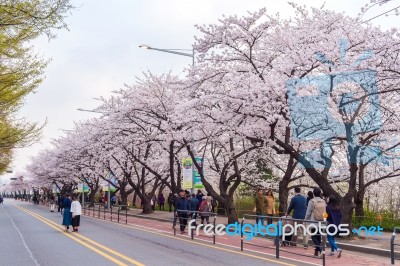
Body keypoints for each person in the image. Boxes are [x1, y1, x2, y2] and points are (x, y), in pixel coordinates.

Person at [305, 188, 327, 257]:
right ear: (320, 193)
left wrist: (305, 220)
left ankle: (321, 250)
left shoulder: (311, 201)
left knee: (313, 236)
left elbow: (308, 212)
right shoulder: (323, 201)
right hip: (322, 221)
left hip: (314, 221)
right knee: (318, 236)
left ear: (314, 194)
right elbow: (325, 211)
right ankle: (316, 252)